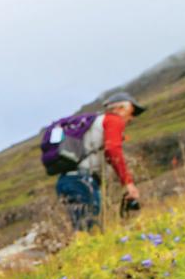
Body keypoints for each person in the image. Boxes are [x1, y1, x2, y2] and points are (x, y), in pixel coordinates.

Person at [56, 92, 145, 232]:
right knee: (89, 229)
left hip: (66, 181)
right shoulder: (112, 120)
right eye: (132, 112)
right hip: (84, 181)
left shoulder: (93, 123)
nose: (132, 118)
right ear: (120, 108)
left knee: (80, 229)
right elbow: (113, 151)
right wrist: (128, 184)